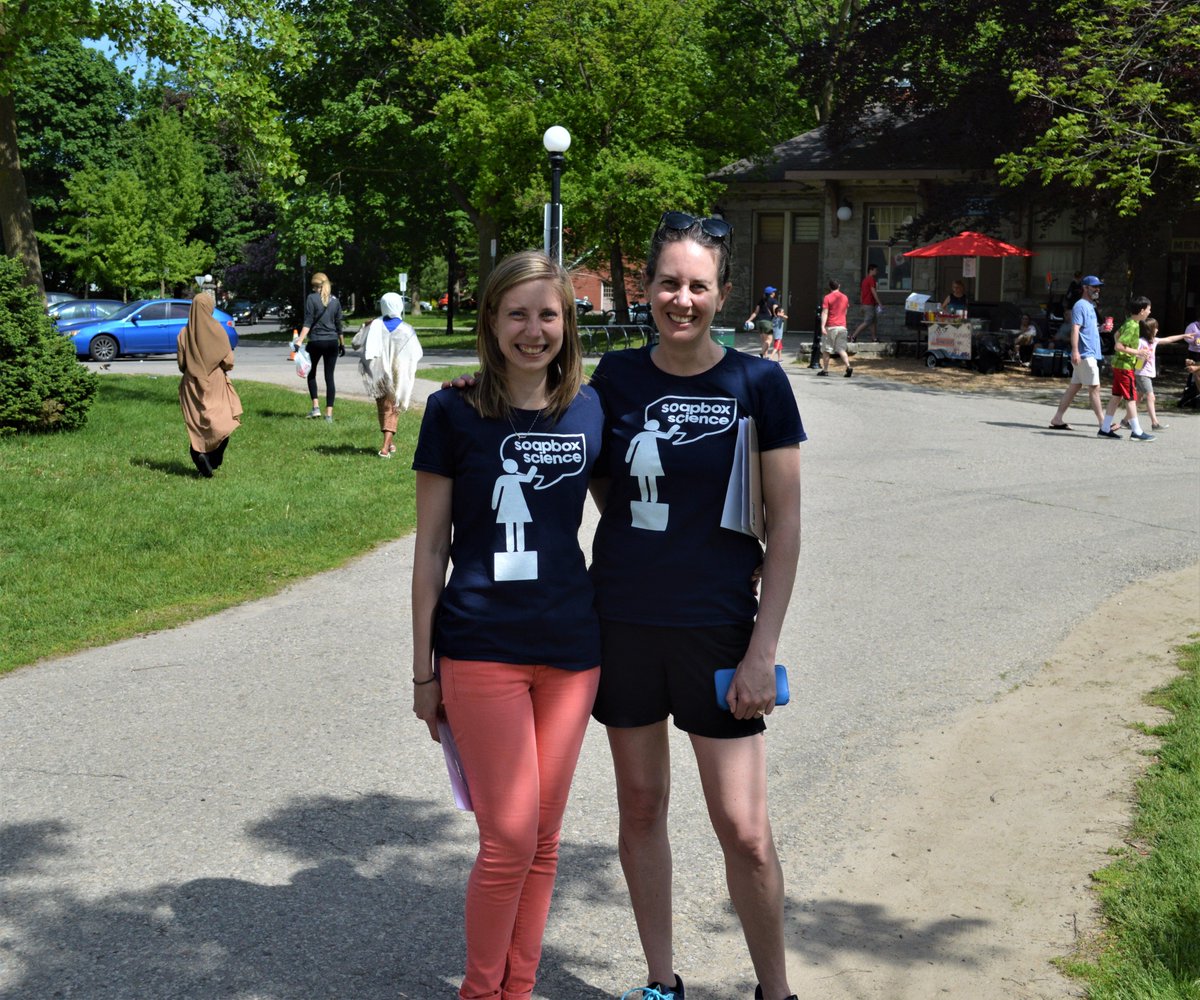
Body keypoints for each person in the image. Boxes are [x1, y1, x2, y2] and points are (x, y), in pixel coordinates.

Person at [589, 211, 804, 1000]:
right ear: (646, 288)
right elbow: (583, 468)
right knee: (642, 808)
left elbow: (785, 528)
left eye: (699, 286)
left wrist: (761, 650)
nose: (683, 299)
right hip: (624, 625)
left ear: (725, 294)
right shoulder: (613, 378)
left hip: (719, 634)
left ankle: (774, 991)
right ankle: (658, 983)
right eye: (669, 284)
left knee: (744, 832)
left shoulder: (758, 384)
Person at [410, 251, 603, 1000]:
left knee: (545, 840)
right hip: (482, 647)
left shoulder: (590, 406)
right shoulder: (452, 411)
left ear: (567, 322)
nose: (533, 330)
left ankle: (518, 989)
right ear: (490, 320)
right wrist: (424, 672)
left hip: (572, 652)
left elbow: (636, 512)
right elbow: (430, 550)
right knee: (509, 840)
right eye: (517, 313)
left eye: (548, 314)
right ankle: (479, 990)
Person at [176, 291, 242, 478]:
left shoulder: (183, 334)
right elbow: (228, 361)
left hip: (192, 384)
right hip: (216, 383)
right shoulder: (218, 331)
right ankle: (214, 457)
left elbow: (182, 364)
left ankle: (200, 455)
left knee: (197, 423)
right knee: (223, 421)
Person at [351, 292, 423, 457]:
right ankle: (385, 447)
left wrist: (364, 327)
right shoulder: (406, 330)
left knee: (385, 408)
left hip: (377, 375)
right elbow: (416, 353)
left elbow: (355, 343)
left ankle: (388, 443)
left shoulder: (373, 326)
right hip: (397, 376)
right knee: (391, 408)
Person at [1048, 275, 1107, 431]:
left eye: (1098, 286)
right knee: (1094, 387)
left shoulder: (1090, 306)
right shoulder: (1080, 305)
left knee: (1074, 386)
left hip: (1089, 353)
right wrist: (1075, 351)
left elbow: (1088, 329)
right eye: (1094, 286)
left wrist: (1102, 329)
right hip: (1085, 354)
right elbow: (1075, 329)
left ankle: (1057, 418)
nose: (1097, 289)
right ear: (1085, 288)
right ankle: (1103, 424)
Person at [1097, 295, 1153, 441]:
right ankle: (1137, 431)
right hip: (1125, 367)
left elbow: (1116, 335)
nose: (1149, 312)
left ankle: (1104, 428)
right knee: (1131, 398)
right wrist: (1138, 352)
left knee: (1116, 397)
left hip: (1119, 364)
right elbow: (1119, 345)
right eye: (1148, 309)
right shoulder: (1133, 325)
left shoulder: (1129, 322)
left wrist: (1131, 352)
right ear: (1141, 311)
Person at [1123, 317, 1193, 432]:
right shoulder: (1140, 341)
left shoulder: (1153, 341)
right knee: (1151, 396)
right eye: (1155, 328)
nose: (1157, 330)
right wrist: (1140, 356)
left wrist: (1183, 336)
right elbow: (1132, 353)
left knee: (1139, 397)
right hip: (1142, 373)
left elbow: (1168, 339)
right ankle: (1155, 423)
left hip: (1147, 373)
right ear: (1149, 330)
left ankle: (1125, 421)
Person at [297, 271, 344, 422]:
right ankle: (329, 414)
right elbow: (339, 324)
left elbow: (308, 321)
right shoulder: (335, 301)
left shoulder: (311, 298)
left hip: (316, 341)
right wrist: (342, 343)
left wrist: (299, 340)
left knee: (311, 374)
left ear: (316, 285)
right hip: (332, 342)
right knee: (329, 377)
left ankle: (315, 407)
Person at [818, 277, 852, 377]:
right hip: (842, 326)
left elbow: (825, 312)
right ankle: (848, 367)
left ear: (830, 287)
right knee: (841, 349)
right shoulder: (845, 297)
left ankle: (825, 370)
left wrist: (822, 326)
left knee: (826, 349)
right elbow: (845, 311)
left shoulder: (827, 297)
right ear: (839, 286)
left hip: (831, 326)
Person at [744, 286, 779, 358]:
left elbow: (755, 312)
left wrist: (749, 320)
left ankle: (764, 357)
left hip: (759, 322)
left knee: (764, 342)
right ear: (771, 293)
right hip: (767, 322)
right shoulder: (774, 301)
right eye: (773, 292)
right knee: (769, 341)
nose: (774, 293)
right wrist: (778, 316)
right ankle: (760, 355)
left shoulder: (761, 301)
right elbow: (775, 310)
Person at [850, 262, 880, 342]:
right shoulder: (871, 279)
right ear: (871, 270)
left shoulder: (864, 280)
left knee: (873, 321)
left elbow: (862, 293)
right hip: (869, 303)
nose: (877, 272)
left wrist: (862, 304)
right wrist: (879, 302)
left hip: (866, 304)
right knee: (867, 322)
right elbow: (873, 291)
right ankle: (853, 336)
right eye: (875, 270)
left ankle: (874, 338)